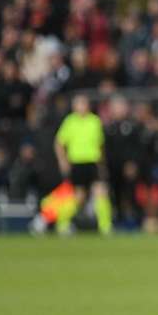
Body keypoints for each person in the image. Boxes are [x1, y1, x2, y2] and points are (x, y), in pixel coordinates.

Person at [53, 94, 112, 234]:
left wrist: (102, 163)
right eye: (79, 104)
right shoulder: (70, 122)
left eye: (84, 104)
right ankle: (63, 223)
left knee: (101, 192)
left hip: (92, 161)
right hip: (77, 162)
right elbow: (59, 143)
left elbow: (100, 144)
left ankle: (106, 226)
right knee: (78, 196)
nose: (82, 107)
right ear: (74, 106)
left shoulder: (95, 121)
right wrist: (63, 161)